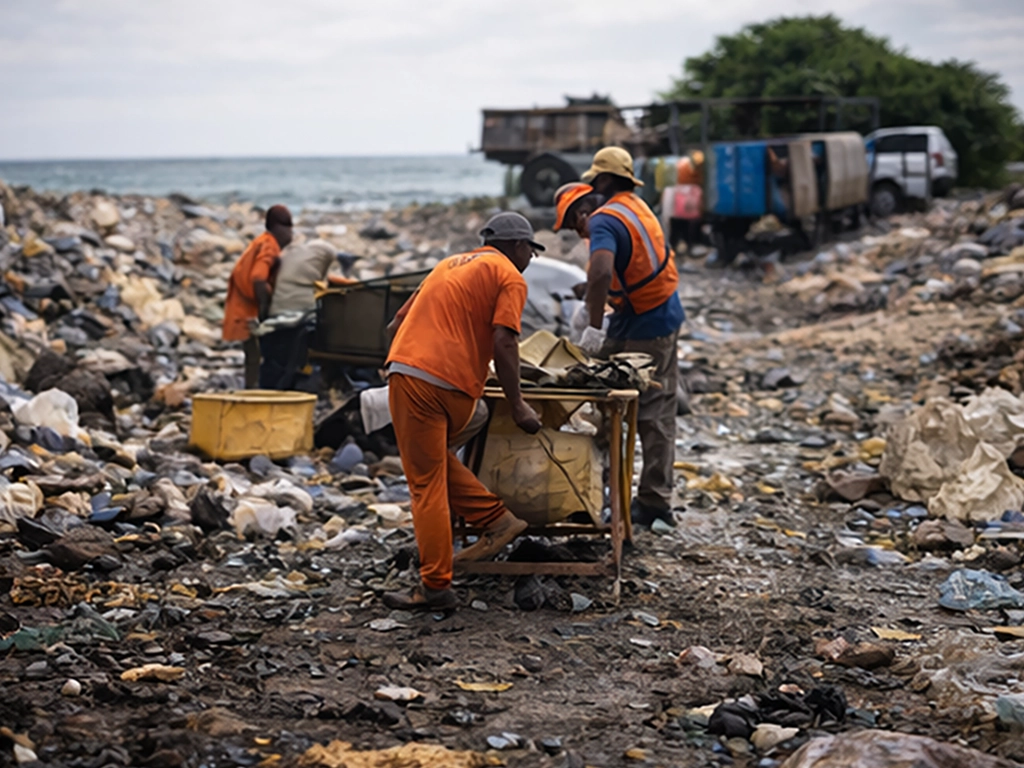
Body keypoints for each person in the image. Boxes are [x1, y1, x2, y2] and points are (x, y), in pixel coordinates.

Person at [381, 211, 544, 611]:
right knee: (432, 467)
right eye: (531, 251)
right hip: (455, 390)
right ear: (517, 245)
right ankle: (495, 520)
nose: (530, 260)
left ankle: (436, 585)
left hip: (415, 378)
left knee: (425, 482)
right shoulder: (509, 275)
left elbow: (394, 326)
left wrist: (395, 362)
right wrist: (519, 404)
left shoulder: (446, 265)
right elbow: (505, 341)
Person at [554, 148, 684, 527]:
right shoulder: (635, 206)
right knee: (611, 396)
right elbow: (629, 265)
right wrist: (595, 292)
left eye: (573, 225)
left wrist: (593, 327)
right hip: (652, 312)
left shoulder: (603, 221)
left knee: (648, 410)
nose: (579, 232)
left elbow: (601, 273)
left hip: (650, 323)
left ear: (600, 186)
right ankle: (611, 488)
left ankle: (650, 501)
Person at [222, 205, 293, 388]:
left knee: (253, 357)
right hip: (248, 310)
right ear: (278, 228)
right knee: (257, 356)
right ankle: (254, 394)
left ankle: (252, 390)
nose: (290, 234)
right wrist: (264, 310)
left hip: (242, 304)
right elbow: (258, 278)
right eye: (288, 228)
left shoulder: (262, 241)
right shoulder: (269, 245)